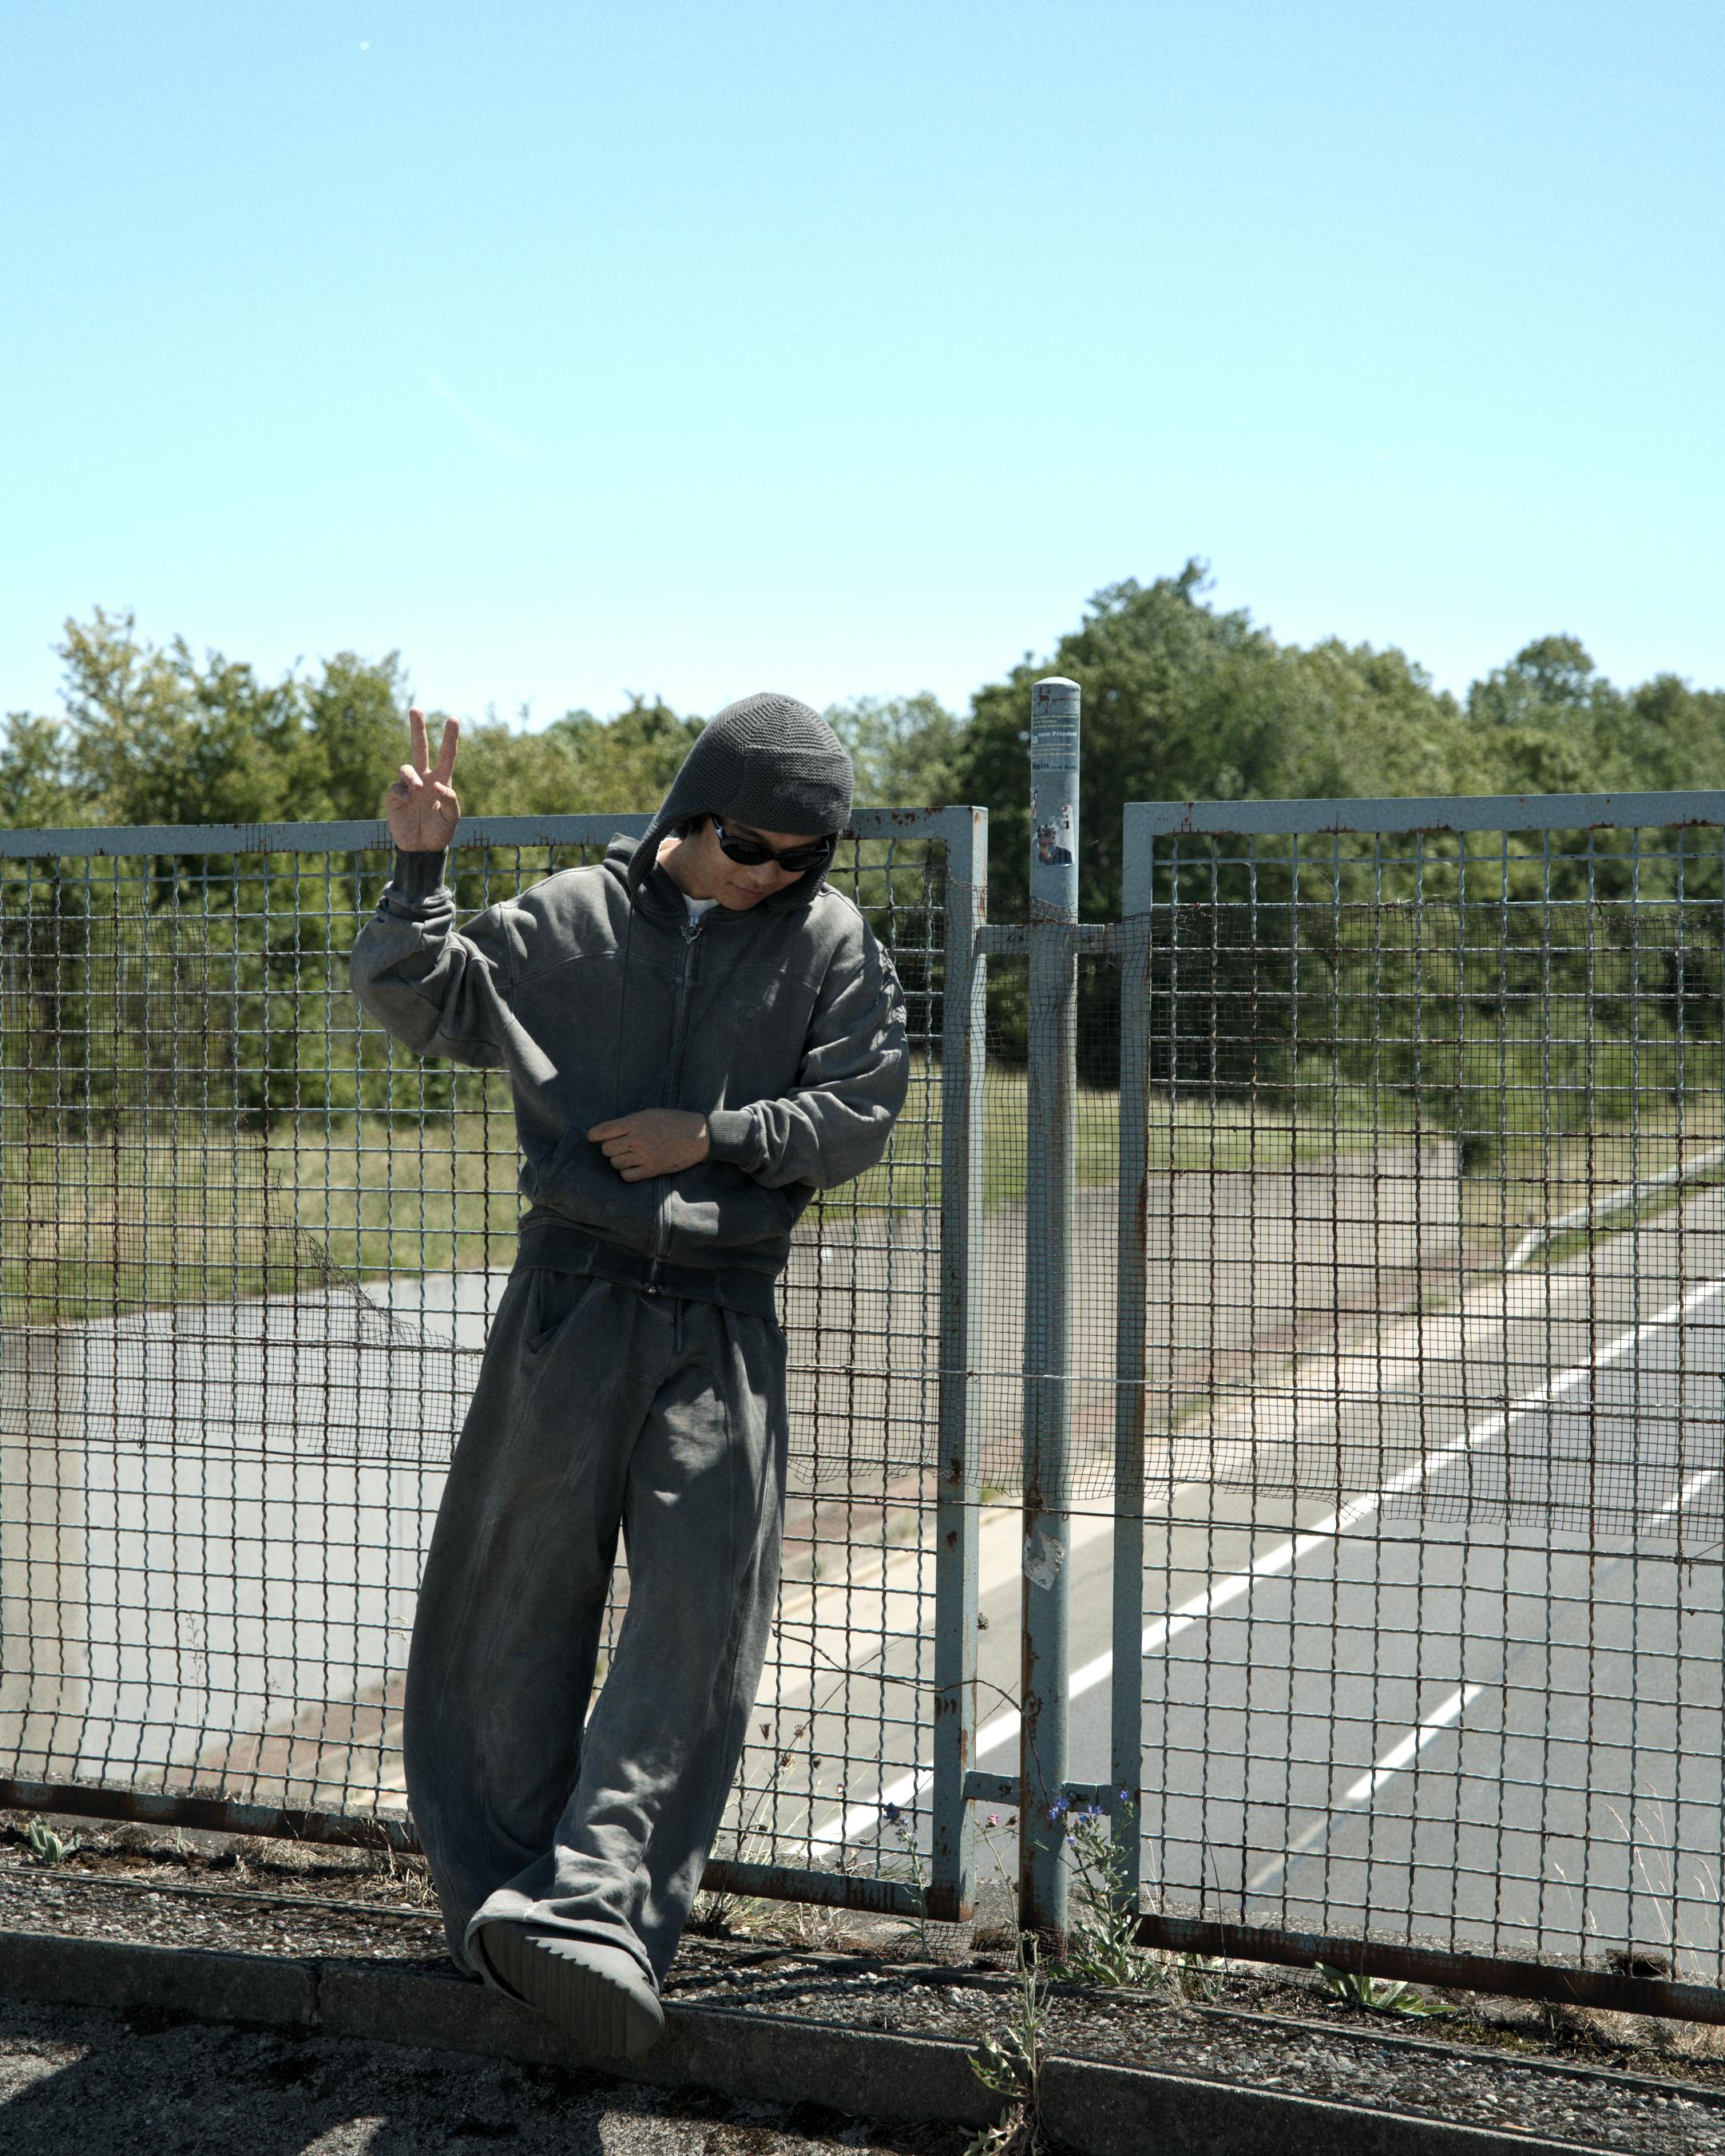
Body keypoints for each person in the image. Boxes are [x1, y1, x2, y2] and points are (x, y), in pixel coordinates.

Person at [349, 692, 909, 2059]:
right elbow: (422, 1004)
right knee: (512, 1593)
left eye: (799, 855)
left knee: (696, 1618)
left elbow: (860, 1108)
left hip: (723, 1313)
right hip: (571, 1299)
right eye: (748, 842)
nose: (771, 872)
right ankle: (497, 1899)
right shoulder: (566, 920)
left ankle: (601, 1915)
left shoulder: (831, 943)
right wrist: (420, 874)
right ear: (688, 809)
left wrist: (707, 1133)